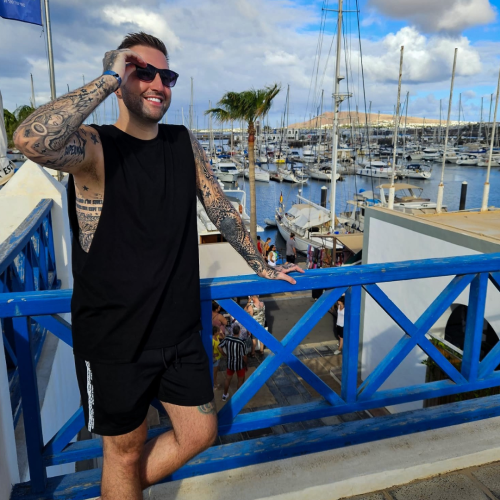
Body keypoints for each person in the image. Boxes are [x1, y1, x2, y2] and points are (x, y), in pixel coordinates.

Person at [13, 31, 303, 499]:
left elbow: (220, 207)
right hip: (113, 339)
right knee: (122, 452)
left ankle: (116, 490)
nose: (157, 83)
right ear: (121, 77)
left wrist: (261, 264)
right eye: (142, 71)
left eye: (165, 75)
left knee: (199, 433)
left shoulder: (182, 143)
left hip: (179, 332)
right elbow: (29, 138)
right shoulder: (95, 148)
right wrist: (108, 77)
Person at [218, 324, 247, 401]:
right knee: (240, 380)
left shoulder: (227, 338)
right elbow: (244, 356)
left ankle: (224, 395)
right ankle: (238, 397)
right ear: (240, 332)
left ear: (232, 332)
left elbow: (219, 346)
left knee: (228, 379)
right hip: (239, 364)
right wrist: (246, 363)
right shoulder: (241, 342)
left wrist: (224, 354)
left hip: (230, 363)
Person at [212, 326, 224, 390]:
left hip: (218, 358)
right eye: (218, 331)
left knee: (215, 372)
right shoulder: (212, 340)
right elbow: (211, 349)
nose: (219, 332)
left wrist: (221, 333)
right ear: (215, 332)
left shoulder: (216, 337)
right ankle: (214, 384)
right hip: (215, 359)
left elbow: (223, 338)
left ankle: (215, 383)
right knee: (214, 372)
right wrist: (214, 354)